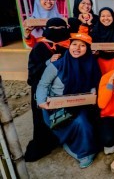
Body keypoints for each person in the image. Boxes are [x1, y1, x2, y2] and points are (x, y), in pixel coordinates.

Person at [36, 33, 100, 168]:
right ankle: (68, 141)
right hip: (57, 105)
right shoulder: (57, 65)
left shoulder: (91, 63)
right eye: (74, 44)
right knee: (74, 123)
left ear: (87, 49)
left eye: (82, 45)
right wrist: (42, 101)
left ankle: (85, 152)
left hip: (81, 102)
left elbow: (93, 83)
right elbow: (43, 85)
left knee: (83, 123)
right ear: (69, 46)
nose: (77, 48)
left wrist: (93, 93)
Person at [24, 18, 69, 162]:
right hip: (42, 87)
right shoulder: (40, 47)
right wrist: (48, 62)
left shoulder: (69, 46)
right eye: (53, 28)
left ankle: (65, 138)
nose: (56, 30)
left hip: (63, 87)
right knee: (42, 117)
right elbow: (32, 72)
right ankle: (45, 141)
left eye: (60, 27)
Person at [81, 7, 114, 75]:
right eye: (103, 16)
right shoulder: (94, 30)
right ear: (99, 17)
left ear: (113, 17)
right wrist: (94, 52)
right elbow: (87, 45)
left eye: (109, 16)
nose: (106, 18)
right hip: (98, 62)